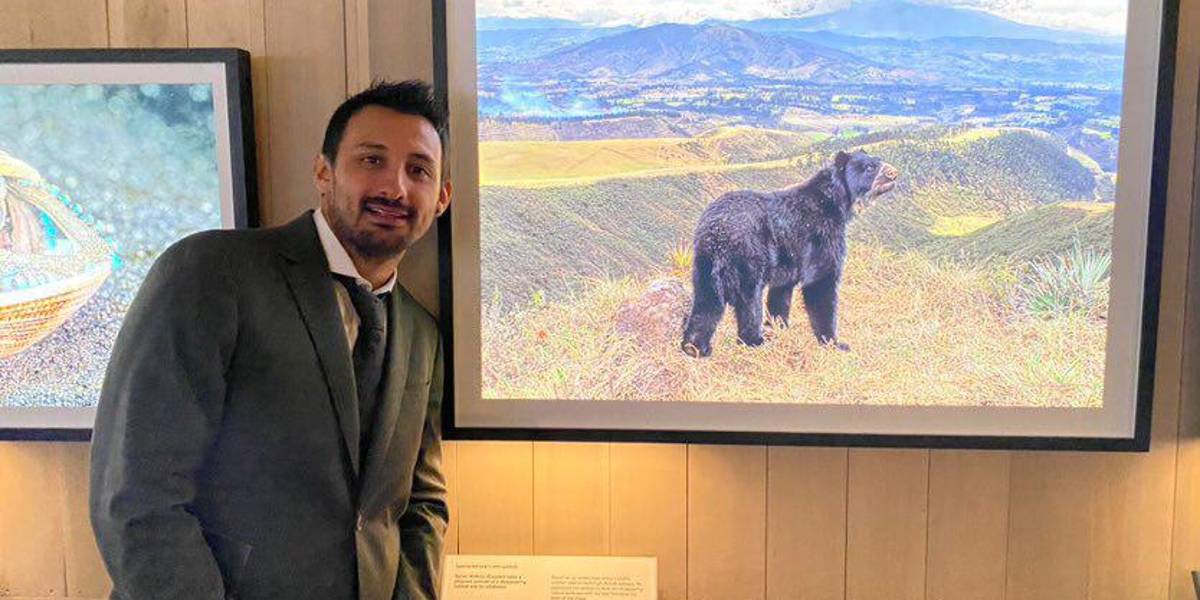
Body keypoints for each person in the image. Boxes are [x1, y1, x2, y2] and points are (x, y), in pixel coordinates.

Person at [89, 79, 452, 600]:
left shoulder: (421, 334)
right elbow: (136, 494)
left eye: (418, 170)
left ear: (441, 197)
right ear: (323, 172)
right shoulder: (213, 273)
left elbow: (419, 504)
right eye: (371, 160)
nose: (394, 187)